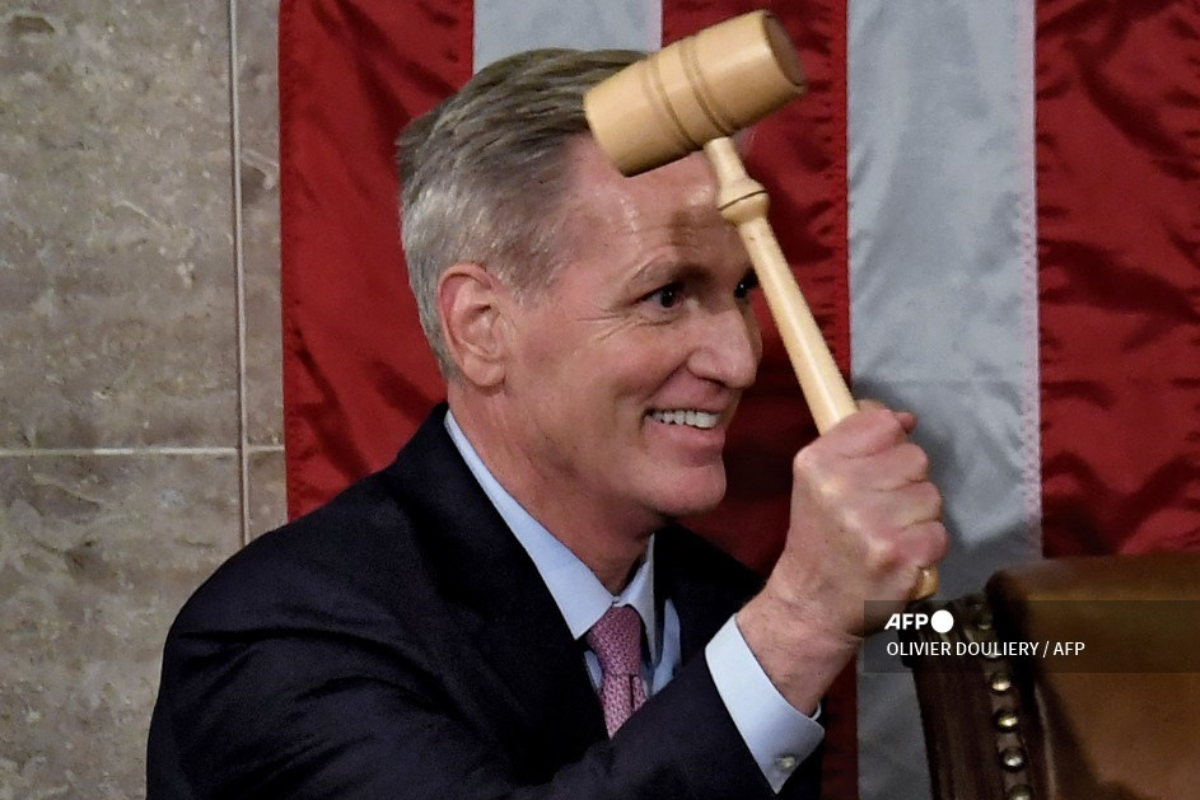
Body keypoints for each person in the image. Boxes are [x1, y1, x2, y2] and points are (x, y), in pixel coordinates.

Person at [147, 48, 946, 800]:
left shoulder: (723, 612)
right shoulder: (275, 636)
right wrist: (801, 623)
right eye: (666, 295)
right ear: (482, 328)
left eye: (739, 292)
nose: (738, 360)